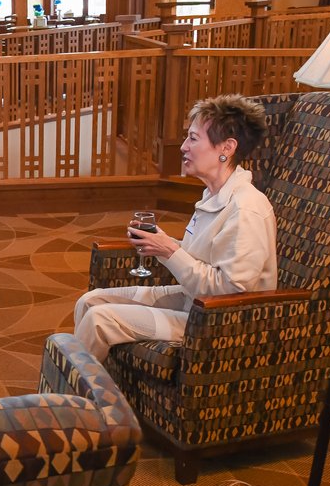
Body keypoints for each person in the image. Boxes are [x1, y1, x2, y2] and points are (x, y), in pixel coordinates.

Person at [73, 94, 276, 360]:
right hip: (191, 302)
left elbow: (230, 290)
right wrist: (163, 244)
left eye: (193, 138)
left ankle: (74, 398)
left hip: (218, 323)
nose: (183, 147)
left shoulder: (246, 209)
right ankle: (95, 389)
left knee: (101, 318)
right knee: (90, 301)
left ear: (226, 148)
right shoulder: (213, 196)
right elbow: (202, 257)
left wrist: (169, 250)